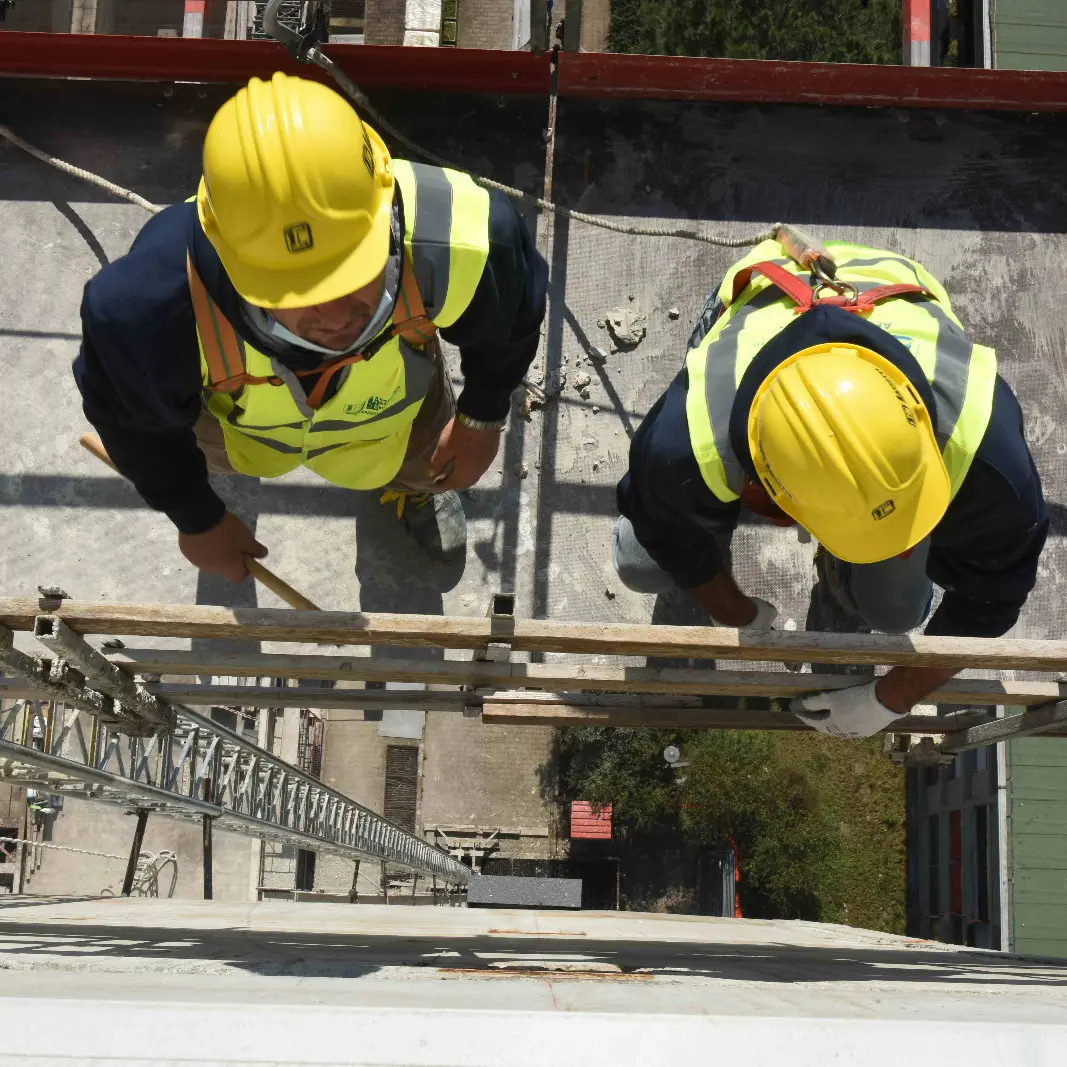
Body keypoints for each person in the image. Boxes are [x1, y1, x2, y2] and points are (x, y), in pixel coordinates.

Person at [75, 72, 547, 576]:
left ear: (385, 214)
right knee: (189, 447)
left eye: (354, 271)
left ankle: (413, 489)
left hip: (395, 415)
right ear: (228, 259)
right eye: (296, 293)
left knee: (424, 455)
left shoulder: (471, 240)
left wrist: (480, 417)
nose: (339, 319)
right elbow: (136, 426)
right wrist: (196, 516)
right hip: (244, 430)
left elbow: (506, 326)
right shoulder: (146, 313)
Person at [614, 238, 1048, 739]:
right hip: (767, 284)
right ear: (772, 491)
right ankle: (715, 548)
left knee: (895, 610)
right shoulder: (687, 441)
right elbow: (664, 533)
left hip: (891, 282)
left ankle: (842, 588)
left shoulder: (987, 453)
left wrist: (893, 698)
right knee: (641, 559)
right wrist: (737, 612)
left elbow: (993, 599)